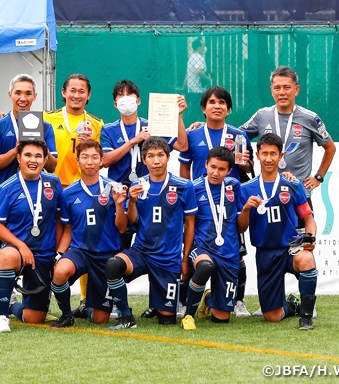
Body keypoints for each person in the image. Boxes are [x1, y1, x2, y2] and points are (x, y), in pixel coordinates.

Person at [101, 79, 188, 320]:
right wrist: (134, 140)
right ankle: (115, 302)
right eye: (121, 96)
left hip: (151, 191)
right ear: (115, 102)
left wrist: (179, 115)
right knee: (118, 249)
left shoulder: (154, 124)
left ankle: (158, 303)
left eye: (131, 96)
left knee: (157, 241)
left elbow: (181, 144)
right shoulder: (108, 129)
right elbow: (105, 161)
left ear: (139, 101)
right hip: (122, 195)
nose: (126, 100)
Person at [0, 74, 58, 323]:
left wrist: (39, 144)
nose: (23, 98)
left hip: (37, 206)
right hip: (7, 200)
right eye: (18, 93)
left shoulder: (44, 126)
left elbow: (53, 166)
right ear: (10, 95)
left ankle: (16, 305)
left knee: (34, 316)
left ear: (35, 96)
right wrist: (17, 148)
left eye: (28, 93)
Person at [104, 137, 197, 329]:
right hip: (141, 252)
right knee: (113, 265)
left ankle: (158, 304)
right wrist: (131, 202)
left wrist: (185, 259)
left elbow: (190, 225)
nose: (156, 160)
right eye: (151, 156)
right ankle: (127, 317)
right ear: (144, 160)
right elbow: (130, 223)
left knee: (167, 321)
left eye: (160, 155)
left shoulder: (184, 186)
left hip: (168, 258)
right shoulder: (138, 184)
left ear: (168, 157)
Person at [179, 86, 252, 318]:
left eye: (222, 102)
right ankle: (185, 303)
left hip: (229, 204)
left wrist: (245, 164)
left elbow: (249, 169)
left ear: (229, 109)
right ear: (203, 108)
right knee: (194, 252)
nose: (217, 106)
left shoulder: (239, 136)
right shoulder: (193, 135)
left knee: (237, 253)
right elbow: (184, 167)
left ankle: (235, 300)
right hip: (201, 201)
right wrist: (186, 194)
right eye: (211, 102)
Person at [237, 133, 318, 330]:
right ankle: (292, 306)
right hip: (265, 253)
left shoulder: (292, 184)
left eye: (273, 154)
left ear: (281, 156)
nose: (268, 158)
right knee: (272, 317)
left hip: (291, 248)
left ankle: (306, 317)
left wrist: (311, 238)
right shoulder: (246, 189)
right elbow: (241, 227)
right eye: (264, 153)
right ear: (257, 155)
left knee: (306, 259)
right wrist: (246, 208)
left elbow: (308, 218)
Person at [240, 66, 336, 226]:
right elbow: (237, 135)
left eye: (287, 87)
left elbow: (330, 148)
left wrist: (318, 177)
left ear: (296, 90)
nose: (282, 92)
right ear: (271, 90)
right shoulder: (262, 115)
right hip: (268, 196)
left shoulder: (310, 118)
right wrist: (209, 124)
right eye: (277, 88)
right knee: (271, 246)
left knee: (304, 246)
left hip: (299, 195)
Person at [50, 140, 128, 328]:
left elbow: (123, 228)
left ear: (102, 160)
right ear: (77, 160)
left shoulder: (114, 188)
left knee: (101, 319)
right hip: (81, 252)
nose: (90, 161)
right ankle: (67, 315)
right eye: (84, 157)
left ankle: (87, 308)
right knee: (60, 270)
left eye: (94, 157)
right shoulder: (67, 193)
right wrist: (58, 255)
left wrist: (118, 204)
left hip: (106, 256)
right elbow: (68, 230)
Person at [44, 73, 104, 313]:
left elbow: (99, 158)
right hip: (54, 190)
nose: (77, 95)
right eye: (73, 90)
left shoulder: (97, 124)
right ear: (63, 92)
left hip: (83, 193)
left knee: (85, 243)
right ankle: (43, 296)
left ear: (88, 95)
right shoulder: (47, 118)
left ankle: (85, 300)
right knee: (51, 243)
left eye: (82, 91)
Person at [0, 141, 63, 333]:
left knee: (34, 318)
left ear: (45, 160)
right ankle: (2, 316)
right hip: (18, 251)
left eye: (38, 156)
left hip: (44, 255)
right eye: (28, 155)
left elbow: (59, 220)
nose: (33, 160)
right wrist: (20, 246)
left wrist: (58, 254)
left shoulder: (53, 183)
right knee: (6, 256)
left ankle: (13, 304)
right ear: (18, 158)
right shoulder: (7, 187)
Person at [181, 147, 242, 330]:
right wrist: (185, 258)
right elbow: (188, 225)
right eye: (213, 167)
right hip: (202, 247)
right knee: (205, 266)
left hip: (228, 253)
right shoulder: (193, 187)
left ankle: (208, 298)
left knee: (221, 319)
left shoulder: (234, 186)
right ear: (206, 164)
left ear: (229, 170)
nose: (216, 173)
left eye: (222, 169)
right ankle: (188, 316)